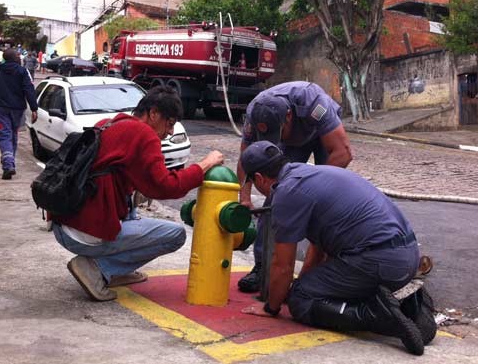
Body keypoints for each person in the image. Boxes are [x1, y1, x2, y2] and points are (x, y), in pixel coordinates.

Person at [240, 141, 435, 355]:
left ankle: (377, 317)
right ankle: (413, 305)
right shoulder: (310, 174)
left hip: (378, 261)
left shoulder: (286, 193)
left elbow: (283, 265)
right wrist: (300, 283)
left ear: (259, 178)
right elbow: (318, 248)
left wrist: (271, 307)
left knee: (301, 300)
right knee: (304, 288)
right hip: (406, 256)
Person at [51, 86, 225, 302]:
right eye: (169, 124)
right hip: (85, 233)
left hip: (65, 224)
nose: (170, 132)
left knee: (133, 206)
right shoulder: (144, 134)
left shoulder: (110, 123)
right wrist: (203, 166)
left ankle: (116, 271)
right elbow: (166, 187)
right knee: (175, 235)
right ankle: (99, 269)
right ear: (153, 114)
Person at [236, 81, 352, 292]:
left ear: (288, 116)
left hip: (320, 135)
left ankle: (319, 266)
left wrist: (311, 186)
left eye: (276, 132)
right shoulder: (255, 111)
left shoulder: (314, 104)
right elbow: (247, 158)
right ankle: (263, 266)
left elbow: (343, 152)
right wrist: (244, 196)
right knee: (276, 197)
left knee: (323, 202)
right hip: (291, 142)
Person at [0, 48, 38, 180]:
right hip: (18, 109)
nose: (19, 57)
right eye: (18, 55)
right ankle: (9, 164)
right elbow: (29, 89)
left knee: (4, 135)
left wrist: (0, 101)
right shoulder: (22, 71)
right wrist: (34, 108)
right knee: (12, 135)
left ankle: (8, 165)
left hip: (2, 108)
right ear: (14, 58)